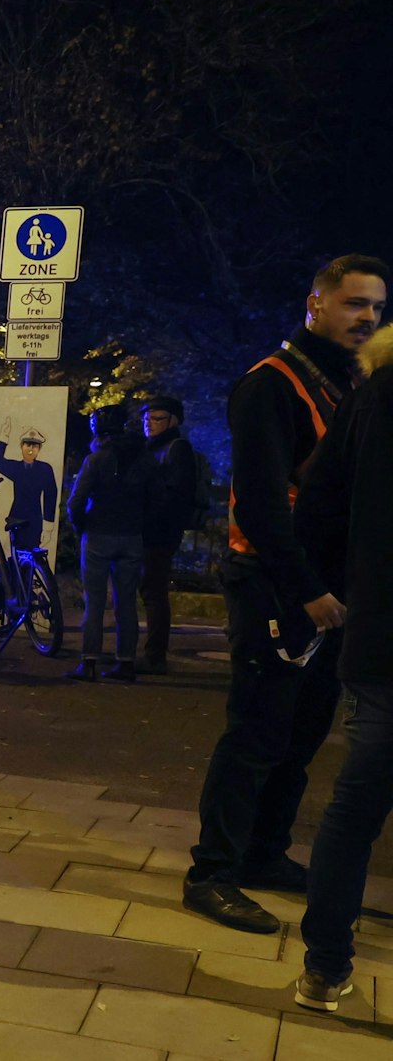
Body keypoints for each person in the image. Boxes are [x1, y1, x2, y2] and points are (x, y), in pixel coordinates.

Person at [185, 253, 386, 935]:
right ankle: (211, 871)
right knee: (256, 731)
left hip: (329, 592)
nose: (368, 318)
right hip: (275, 587)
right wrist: (307, 591)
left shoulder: (353, 387)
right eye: (355, 303)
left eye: (378, 308)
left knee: (301, 735)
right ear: (316, 305)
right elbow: (262, 508)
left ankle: (263, 853)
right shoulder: (270, 386)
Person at [292, 324, 393, 1011]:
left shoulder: (375, 395)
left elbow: (317, 498)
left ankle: (325, 968)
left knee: (356, 807)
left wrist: (343, 586)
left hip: (384, 634)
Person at [64, 404, 154, 682]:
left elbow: (76, 502)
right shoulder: (145, 459)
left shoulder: (96, 459)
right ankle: (125, 663)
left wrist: (82, 527)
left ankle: (88, 662)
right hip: (132, 536)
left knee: (95, 601)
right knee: (127, 602)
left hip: (98, 535)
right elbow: (155, 500)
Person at [139, 397, 199, 674]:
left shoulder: (176, 449)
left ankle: (155, 656)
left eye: (156, 419)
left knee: (154, 591)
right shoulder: (156, 448)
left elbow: (176, 495)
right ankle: (151, 653)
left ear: (173, 421)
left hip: (159, 532)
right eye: (146, 419)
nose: (148, 424)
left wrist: (153, 519)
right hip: (153, 529)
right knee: (150, 589)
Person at [0, 423, 58, 550]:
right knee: (17, 557)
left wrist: (48, 528)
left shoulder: (45, 469)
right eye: (27, 445)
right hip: (16, 517)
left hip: (34, 520)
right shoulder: (16, 468)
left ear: (39, 449)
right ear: (21, 446)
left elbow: (51, 496)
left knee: (33, 559)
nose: (30, 449)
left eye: (35, 446)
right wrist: (4, 436)